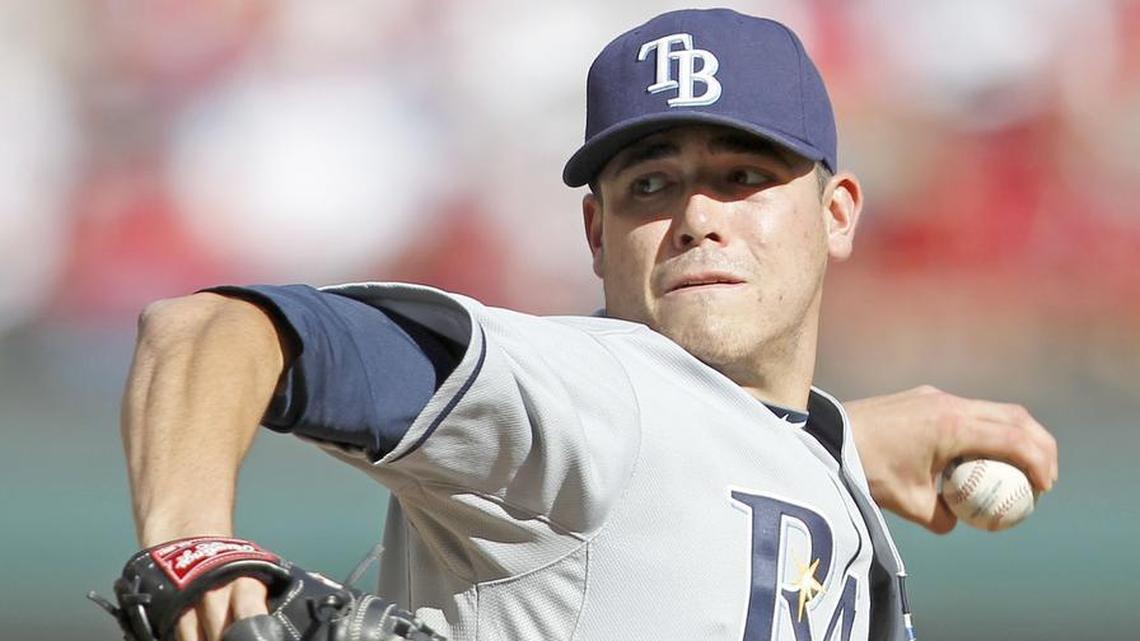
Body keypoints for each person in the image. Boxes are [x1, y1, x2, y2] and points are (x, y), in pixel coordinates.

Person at [121, 8, 1058, 641]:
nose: (698, 215)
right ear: (596, 233)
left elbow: (700, 455)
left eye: (742, 175)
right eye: (651, 184)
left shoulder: (796, 450)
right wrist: (191, 537)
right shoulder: (580, 389)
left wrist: (842, 444)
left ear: (839, 213)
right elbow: (212, 330)